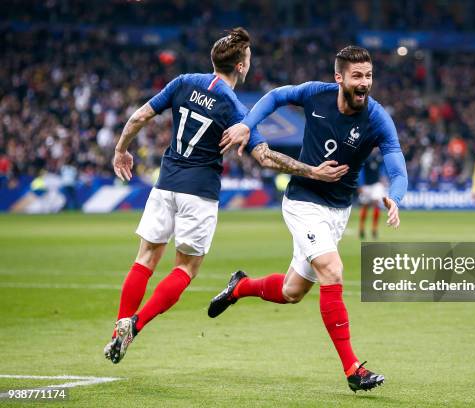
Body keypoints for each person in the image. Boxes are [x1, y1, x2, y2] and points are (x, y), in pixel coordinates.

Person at [104, 28, 348, 364]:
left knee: (145, 258)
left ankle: (121, 321)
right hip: (199, 193)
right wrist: (312, 171)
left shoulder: (183, 81)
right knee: (185, 268)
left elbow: (140, 115)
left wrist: (121, 150)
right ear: (242, 66)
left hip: (165, 184)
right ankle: (137, 324)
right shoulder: (234, 107)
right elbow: (264, 156)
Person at [209, 46, 408, 392]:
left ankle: (239, 287)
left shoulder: (377, 118)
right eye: (357, 76)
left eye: (369, 75)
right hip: (303, 201)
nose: (365, 83)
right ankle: (352, 369)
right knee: (332, 270)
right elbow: (274, 97)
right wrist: (246, 125)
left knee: (291, 292)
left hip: (338, 210)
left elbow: (396, 161)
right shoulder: (317, 94)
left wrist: (397, 196)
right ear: (340, 78)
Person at [358, 149, 385, 240]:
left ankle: (374, 229)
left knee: (376, 203)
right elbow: (360, 171)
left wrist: (383, 178)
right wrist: (360, 185)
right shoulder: (365, 158)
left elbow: (382, 169)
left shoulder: (379, 157)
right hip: (366, 186)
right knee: (365, 206)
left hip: (376, 185)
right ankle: (361, 228)